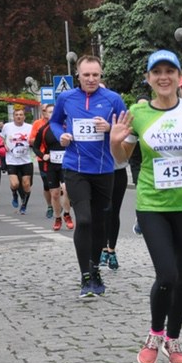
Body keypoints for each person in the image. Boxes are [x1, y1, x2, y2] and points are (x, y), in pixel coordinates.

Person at [110, 50, 182, 363]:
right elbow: (121, 158)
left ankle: (174, 339)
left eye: (170, 71)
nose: (164, 77)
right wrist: (115, 142)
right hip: (152, 204)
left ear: (179, 76)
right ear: (148, 78)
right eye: (157, 72)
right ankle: (155, 334)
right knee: (167, 274)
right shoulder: (138, 113)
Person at [48, 55, 127, 299]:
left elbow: (126, 128)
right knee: (83, 220)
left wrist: (110, 129)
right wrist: (61, 135)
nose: (91, 79)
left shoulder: (113, 99)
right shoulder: (66, 98)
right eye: (86, 75)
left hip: (104, 170)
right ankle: (85, 276)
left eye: (95, 74)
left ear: (101, 75)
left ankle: (95, 270)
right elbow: (55, 122)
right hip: (76, 168)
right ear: (78, 75)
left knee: (100, 222)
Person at [32, 112, 74, 232]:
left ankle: (67, 214)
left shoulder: (67, 126)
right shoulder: (44, 130)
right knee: (55, 194)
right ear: (45, 114)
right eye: (50, 112)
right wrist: (43, 155)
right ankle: (57, 217)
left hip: (66, 164)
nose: (53, 113)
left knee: (66, 189)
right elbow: (35, 146)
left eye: (55, 111)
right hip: (51, 165)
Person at [2, 105, 35, 214]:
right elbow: (1, 138)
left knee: (26, 185)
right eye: (16, 115)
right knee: (15, 184)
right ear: (13, 116)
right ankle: (14, 194)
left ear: (24, 116)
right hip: (11, 160)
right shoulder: (7, 126)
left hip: (26, 160)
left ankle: (24, 204)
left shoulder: (29, 127)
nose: (19, 117)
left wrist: (32, 142)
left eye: (21, 115)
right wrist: (3, 145)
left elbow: (34, 140)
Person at [30, 104, 56, 218]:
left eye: (52, 111)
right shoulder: (38, 124)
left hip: (60, 159)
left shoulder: (63, 124)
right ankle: (50, 206)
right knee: (47, 185)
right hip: (43, 158)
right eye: (45, 111)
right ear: (43, 112)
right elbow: (32, 141)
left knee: (64, 185)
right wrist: (40, 139)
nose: (48, 113)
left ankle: (62, 204)